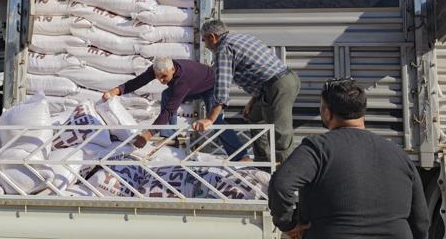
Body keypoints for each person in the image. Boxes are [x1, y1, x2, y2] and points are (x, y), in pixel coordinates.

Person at [268, 79, 429, 239]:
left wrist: (288, 224)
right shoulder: (400, 155)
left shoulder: (318, 148)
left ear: (326, 112)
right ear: (362, 111)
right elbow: (421, 221)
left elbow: (281, 185)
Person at [193, 19, 300, 162]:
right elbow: (261, 70)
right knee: (255, 117)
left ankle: (287, 174)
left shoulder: (224, 49)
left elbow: (222, 86)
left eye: (204, 40)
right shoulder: (242, 38)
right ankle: (263, 162)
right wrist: (252, 100)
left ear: (212, 37)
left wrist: (210, 119)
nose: (205, 45)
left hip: (278, 86)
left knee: (280, 133)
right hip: (282, 81)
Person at [102, 57, 247, 159]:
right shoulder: (158, 69)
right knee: (166, 94)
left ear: (172, 69)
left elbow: (169, 110)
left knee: (215, 121)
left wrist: (148, 134)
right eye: (158, 77)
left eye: (164, 77)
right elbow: (137, 82)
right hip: (195, 85)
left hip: (210, 86)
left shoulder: (182, 81)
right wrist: (116, 90)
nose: (161, 80)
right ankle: (169, 136)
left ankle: (241, 156)